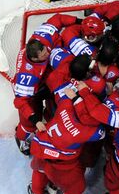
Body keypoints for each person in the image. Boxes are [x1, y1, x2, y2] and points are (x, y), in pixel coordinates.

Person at [28, 89, 106, 194]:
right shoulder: (87, 131)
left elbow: (64, 95)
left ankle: (36, 193)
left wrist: (78, 98)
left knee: (40, 167)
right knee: (74, 193)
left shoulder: (65, 106)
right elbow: (101, 131)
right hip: (64, 168)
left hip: (43, 148)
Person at [13, 13, 82, 155]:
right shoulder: (26, 77)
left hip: (47, 81)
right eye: (44, 55)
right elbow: (20, 101)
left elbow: (58, 18)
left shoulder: (43, 37)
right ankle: (21, 138)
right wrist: (35, 120)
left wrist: (80, 21)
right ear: (34, 58)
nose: (47, 53)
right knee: (28, 125)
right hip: (33, 93)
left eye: (46, 49)